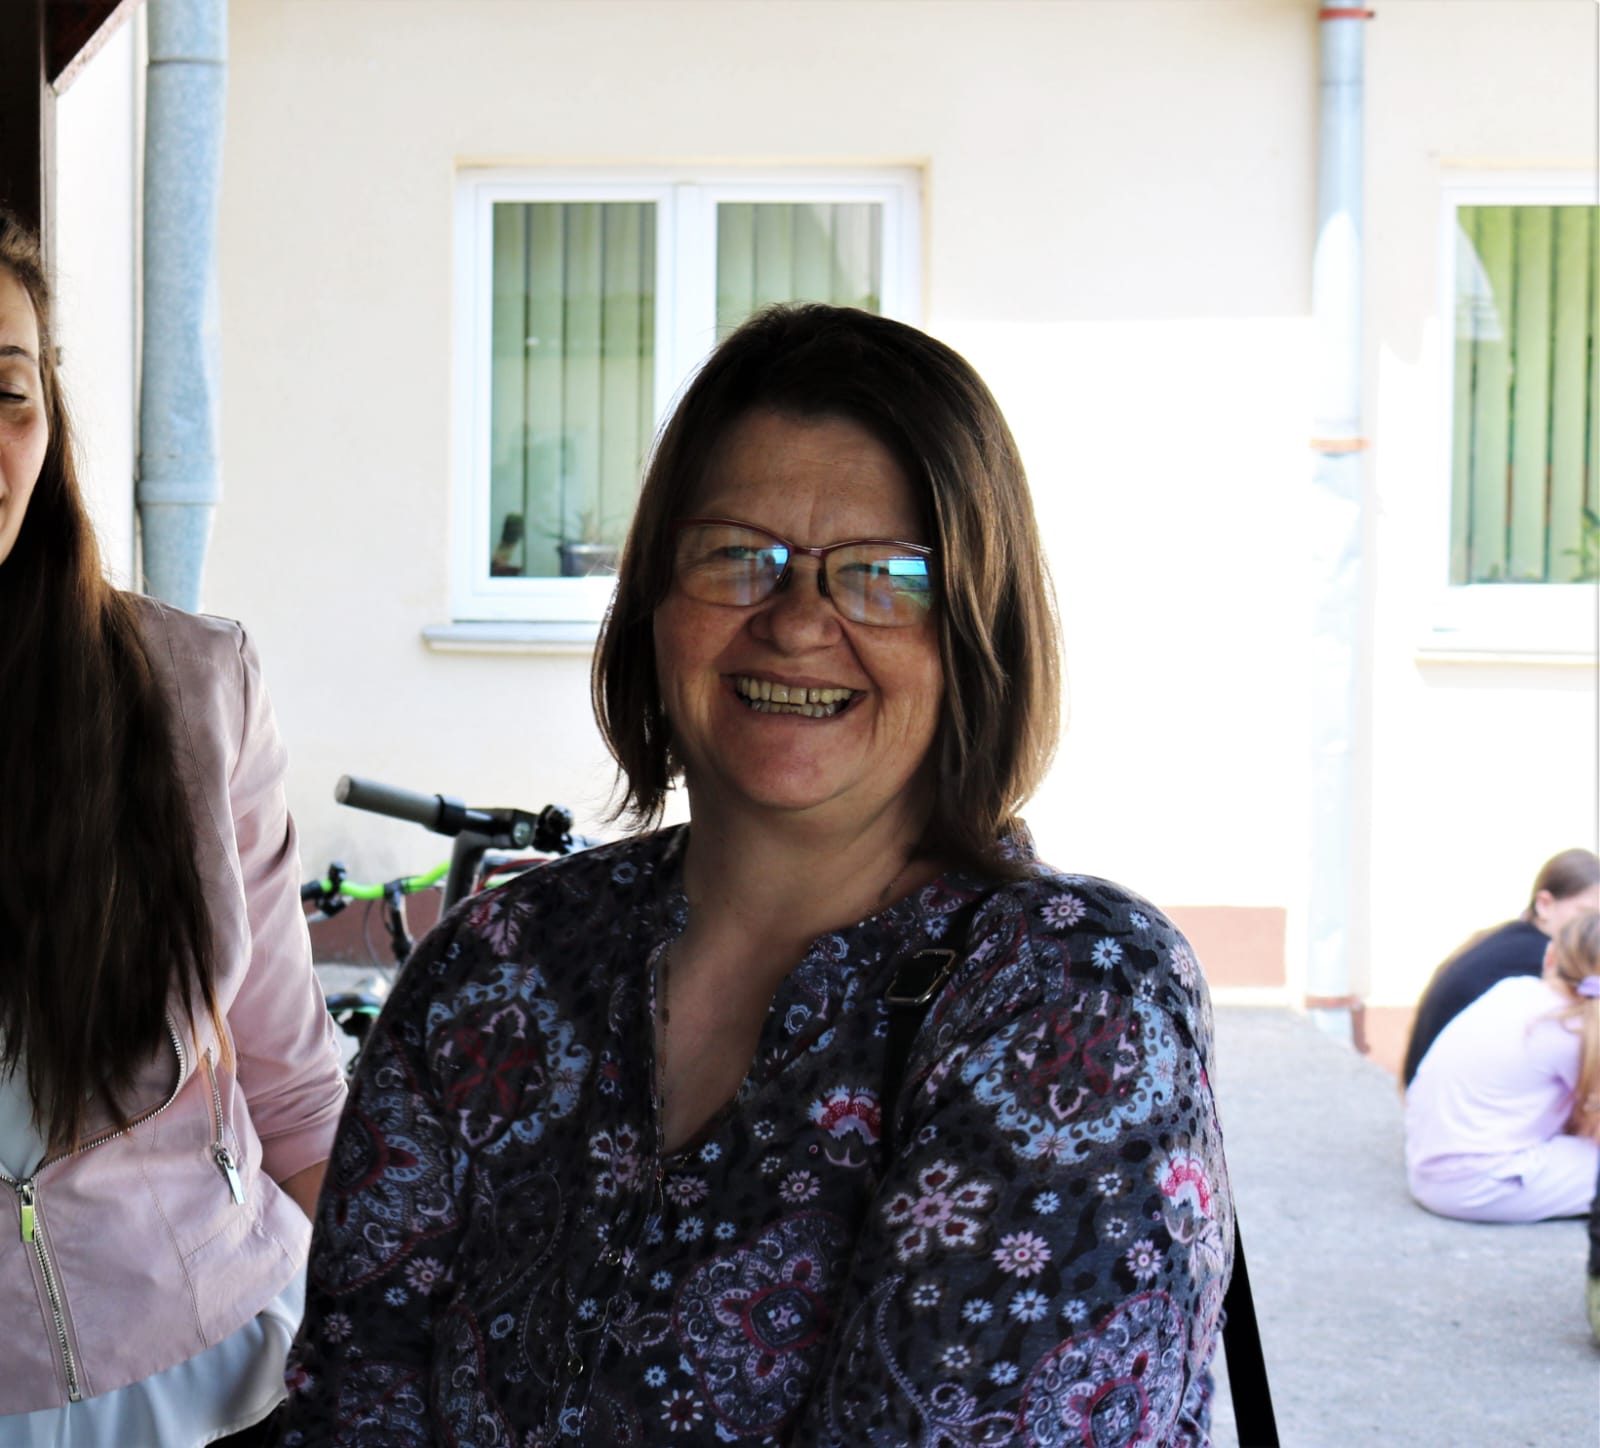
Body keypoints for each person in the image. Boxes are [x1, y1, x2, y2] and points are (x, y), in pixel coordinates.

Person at [279, 303, 1234, 1445]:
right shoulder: (496, 966)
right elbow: (353, 1398)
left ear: (977, 627)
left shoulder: (1069, 997)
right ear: (653, 599)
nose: (797, 622)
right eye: (738, 556)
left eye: (883, 574)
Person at [0, 213, 347, 1444]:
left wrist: (407, 1329)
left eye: (7, 392)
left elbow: (291, 1074)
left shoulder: (191, 684)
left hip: (220, 1373)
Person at [1404, 912, 1600, 1223]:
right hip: (1478, 1186)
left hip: (1430, 1169)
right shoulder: (1570, 1028)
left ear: (1550, 955)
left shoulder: (1514, 989)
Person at [1401, 848, 1600, 1087]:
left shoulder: (1506, 941)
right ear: (1544, 904)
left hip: (1429, 1091)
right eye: (1587, 914)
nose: (1593, 927)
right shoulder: (1539, 959)